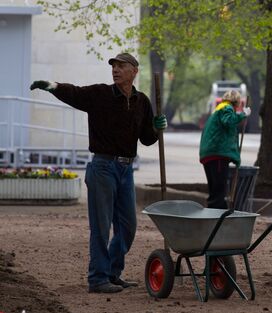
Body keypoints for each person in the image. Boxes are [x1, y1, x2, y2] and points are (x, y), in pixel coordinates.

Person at [30, 52, 167, 294]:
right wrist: (52, 86)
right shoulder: (100, 94)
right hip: (102, 167)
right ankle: (98, 279)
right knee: (101, 227)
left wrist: (156, 128)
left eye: (121, 66)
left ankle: (112, 274)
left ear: (134, 71)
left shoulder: (142, 101)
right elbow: (76, 93)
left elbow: (146, 139)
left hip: (126, 169)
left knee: (127, 227)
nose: (115, 70)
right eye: (113, 66)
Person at [199, 90, 251, 209]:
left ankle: (213, 215)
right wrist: (243, 114)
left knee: (214, 190)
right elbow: (228, 121)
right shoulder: (226, 109)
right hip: (218, 155)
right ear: (237, 102)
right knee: (219, 190)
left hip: (209, 154)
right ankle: (220, 217)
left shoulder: (218, 110)